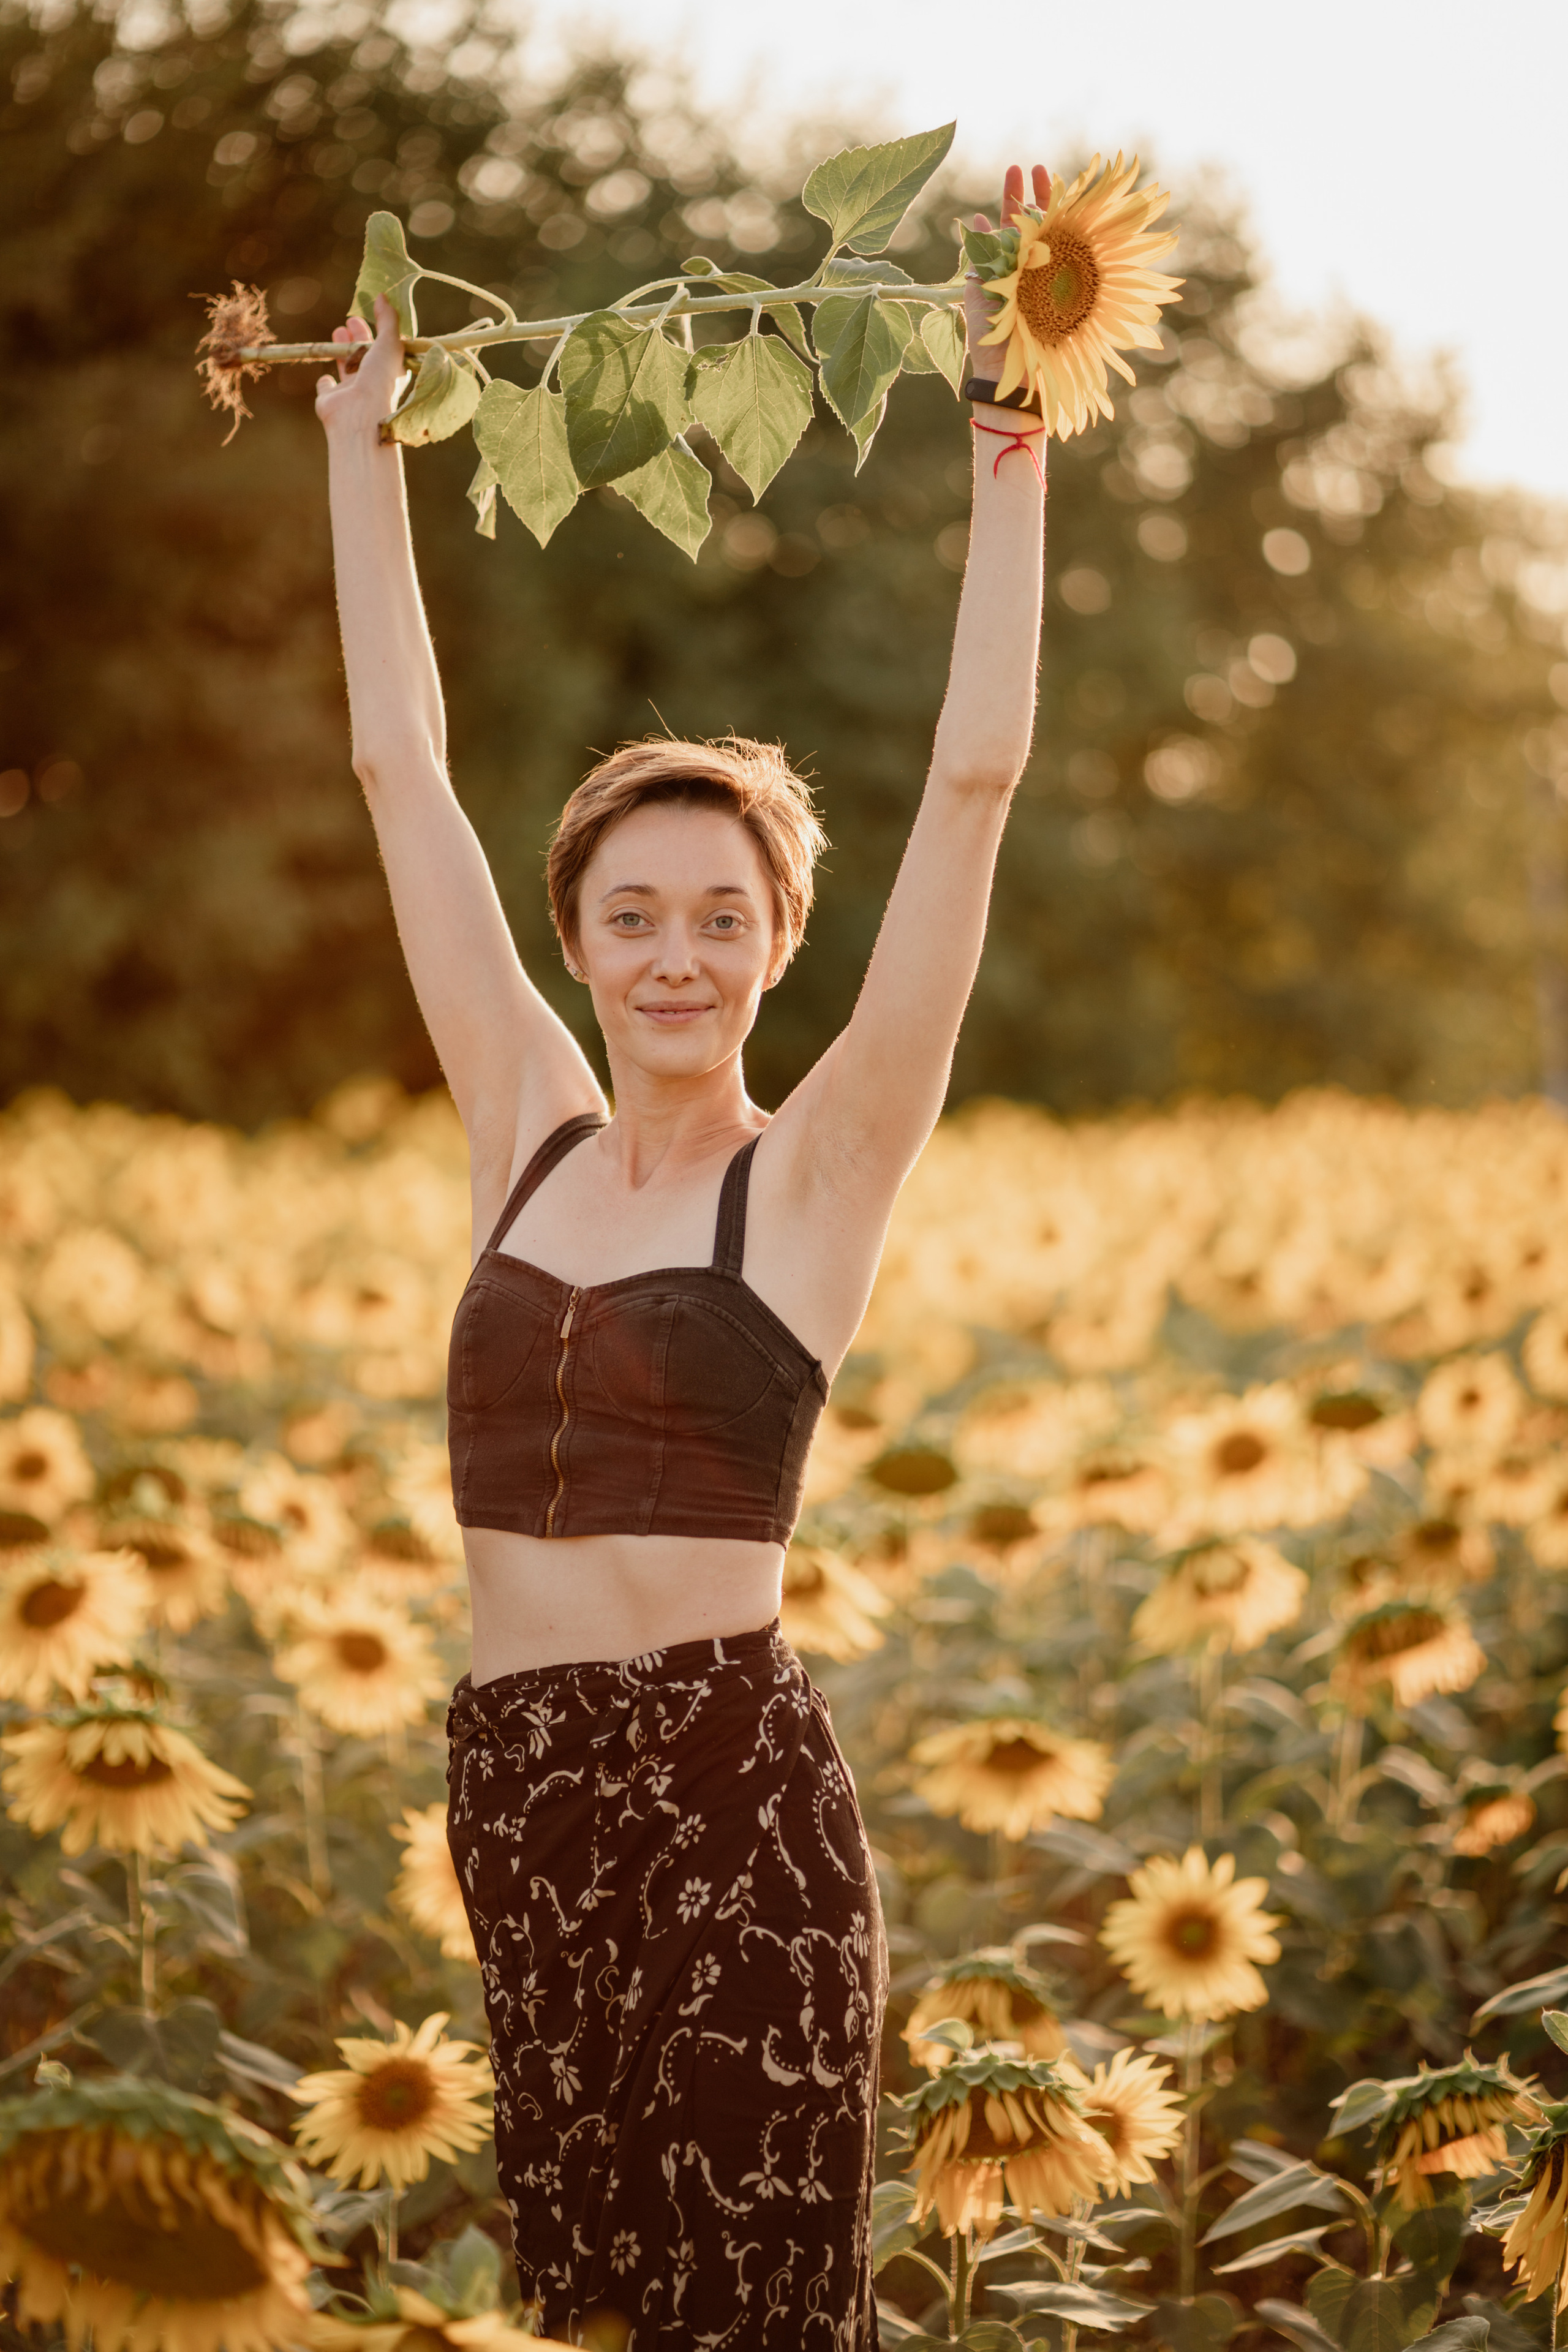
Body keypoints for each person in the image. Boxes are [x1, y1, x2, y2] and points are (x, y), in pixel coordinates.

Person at [315, 160, 1050, 2351]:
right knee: (586, 2305)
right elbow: (396, 765)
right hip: (521, 1793)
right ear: (574, 942)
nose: (675, 952)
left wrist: (1009, 455)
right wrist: (363, 463)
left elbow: (979, 779)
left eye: (722, 916)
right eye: (632, 913)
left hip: (735, 1804)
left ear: (777, 949)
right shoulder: (518, 1139)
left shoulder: (817, 1175)